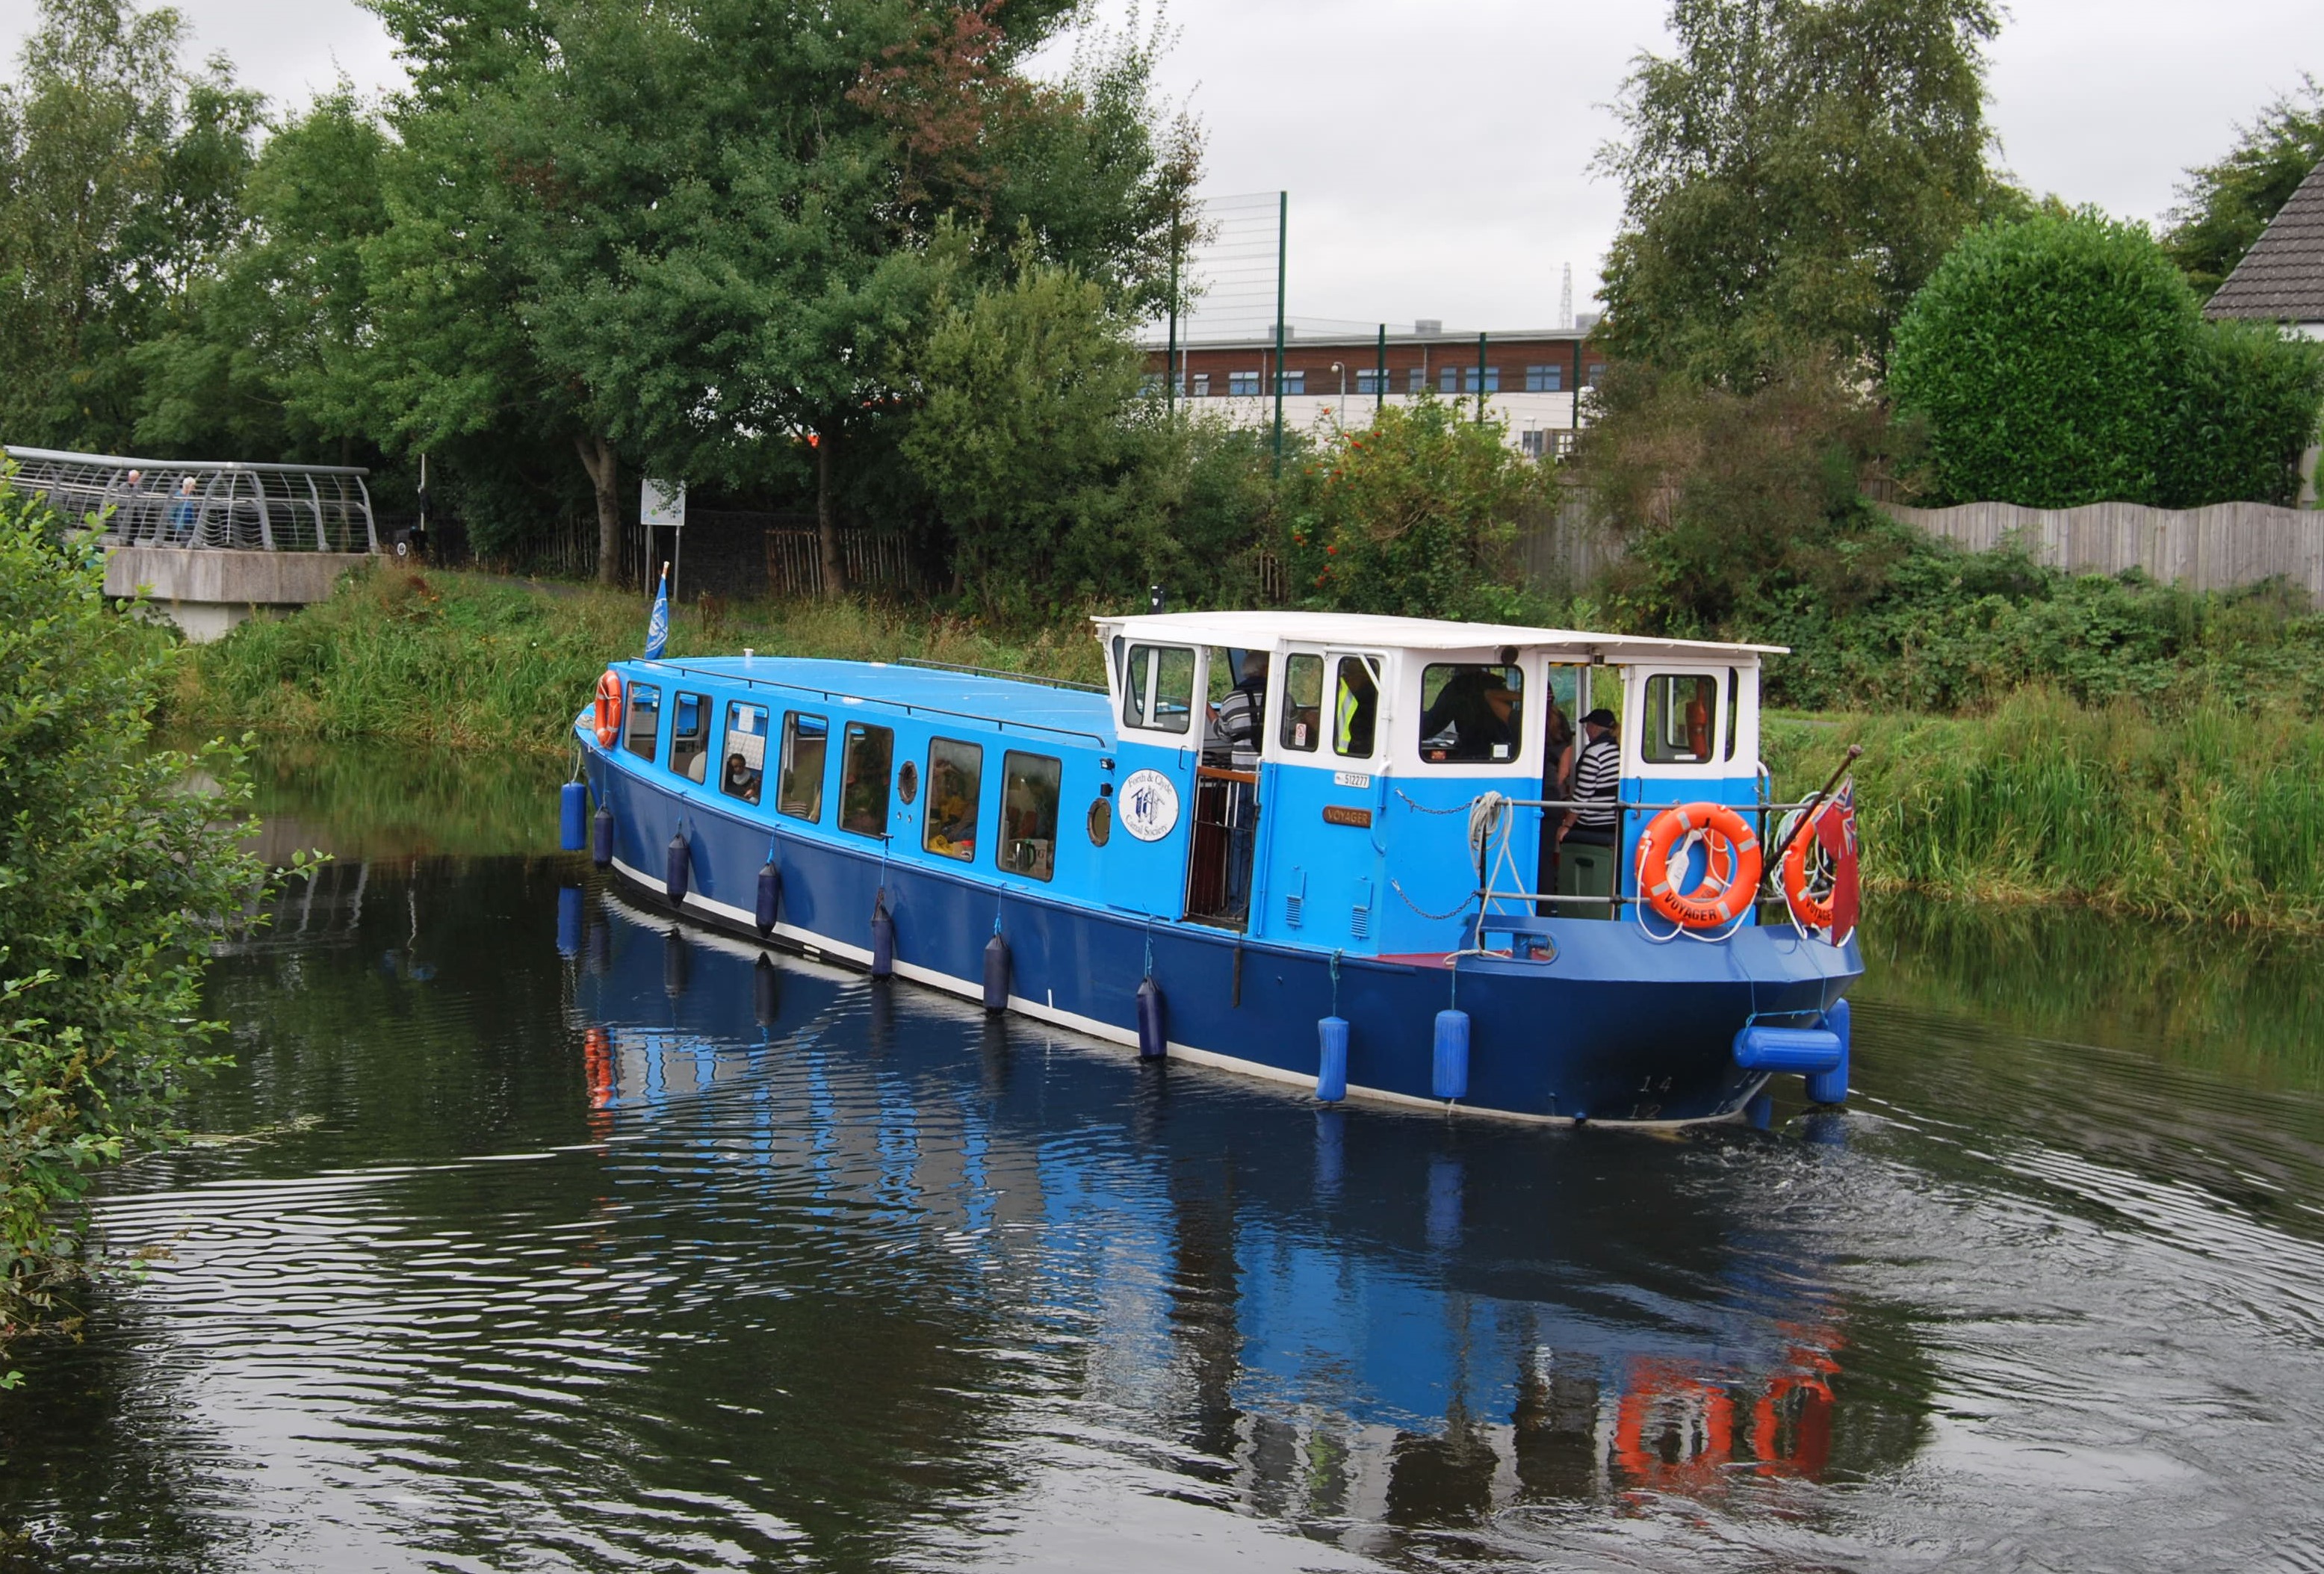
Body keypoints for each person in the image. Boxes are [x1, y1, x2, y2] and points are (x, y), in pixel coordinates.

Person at [1564, 707, 1620, 846]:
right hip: (1613, 820)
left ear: (1594, 728)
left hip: (1594, 822)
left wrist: (1566, 826)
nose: (1586, 730)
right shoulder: (1617, 748)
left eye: (1587, 726)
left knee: (1556, 827)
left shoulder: (1594, 754)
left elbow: (1582, 796)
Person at [1215, 651, 1268, 753]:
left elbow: (1225, 737)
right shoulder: (1284, 699)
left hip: (1240, 767)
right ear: (1266, 669)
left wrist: (1208, 709)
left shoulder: (1230, 700)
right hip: (1272, 767)